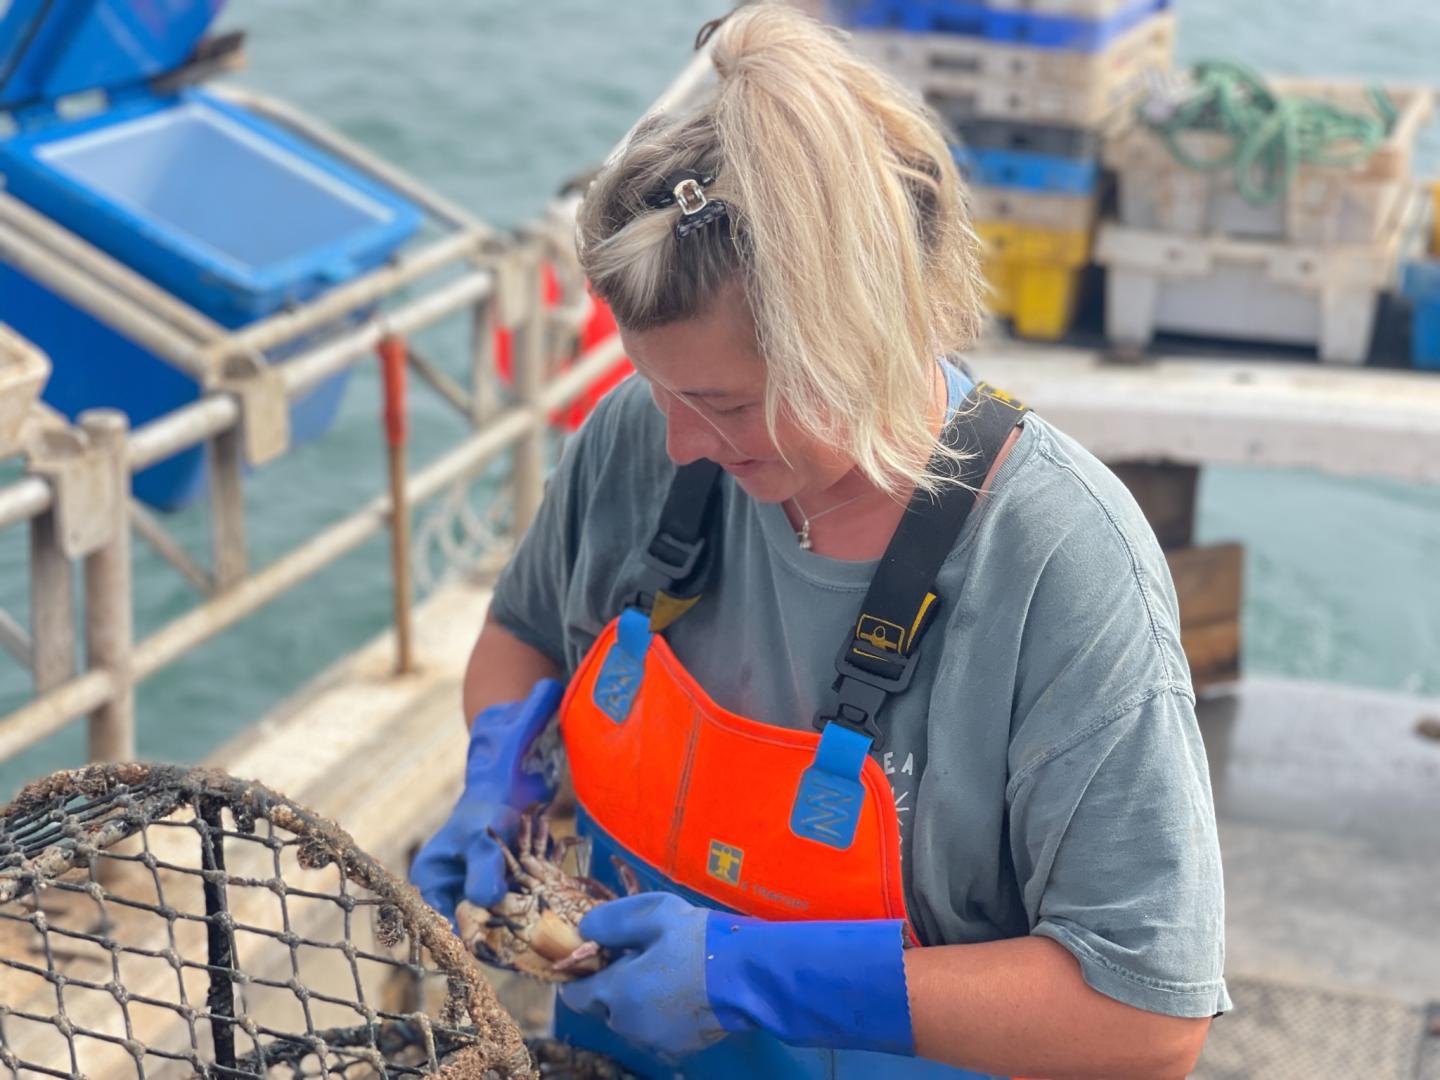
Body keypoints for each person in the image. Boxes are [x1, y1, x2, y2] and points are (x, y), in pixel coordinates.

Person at [411, 4, 1231, 1077]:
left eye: (729, 406)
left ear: (860, 339)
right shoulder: (643, 441)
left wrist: (750, 975)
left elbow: (1148, 1015)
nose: (680, 443)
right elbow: (522, 635)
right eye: (655, 388)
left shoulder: (1059, 562)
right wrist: (497, 772)